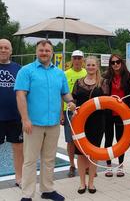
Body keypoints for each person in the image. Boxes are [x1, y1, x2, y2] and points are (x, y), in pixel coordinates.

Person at [15, 40, 76, 201]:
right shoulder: (26, 71)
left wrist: (71, 102)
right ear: (36, 51)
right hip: (33, 124)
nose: (44, 53)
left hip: (53, 124)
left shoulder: (59, 73)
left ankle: (47, 189)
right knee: (29, 160)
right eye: (41, 50)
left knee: (49, 159)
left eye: (47, 50)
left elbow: (65, 93)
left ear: (52, 53)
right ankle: (27, 194)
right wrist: (25, 119)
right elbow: (20, 95)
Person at [72, 56, 109, 194]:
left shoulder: (103, 83)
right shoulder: (78, 82)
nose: (91, 67)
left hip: (97, 121)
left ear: (97, 66)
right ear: (84, 66)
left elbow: (107, 102)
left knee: (94, 152)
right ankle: (82, 183)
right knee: (80, 153)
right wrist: (71, 107)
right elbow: (73, 100)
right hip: (81, 123)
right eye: (88, 65)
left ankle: (91, 183)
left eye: (93, 65)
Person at [103, 54, 130, 177]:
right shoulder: (106, 77)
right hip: (108, 112)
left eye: (118, 61)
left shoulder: (127, 77)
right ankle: (109, 166)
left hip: (122, 113)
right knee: (109, 139)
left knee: (121, 140)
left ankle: (121, 165)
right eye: (113, 62)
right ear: (110, 64)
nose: (115, 64)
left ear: (122, 62)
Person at [0, 39, 23, 187]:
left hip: (15, 116)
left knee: (18, 148)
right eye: (0, 47)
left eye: (6, 48)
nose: (3, 50)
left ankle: (19, 178)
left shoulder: (19, 69)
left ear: (11, 51)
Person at [62, 50, 86, 178]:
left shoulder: (87, 73)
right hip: (69, 112)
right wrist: (61, 113)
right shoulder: (65, 74)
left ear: (83, 59)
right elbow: (61, 94)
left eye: (79, 58)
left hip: (84, 111)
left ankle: (86, 165)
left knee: (85, 139)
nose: (77, 60)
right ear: (71, 59)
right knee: (70, 141)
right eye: (75, 58)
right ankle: (72, 165)